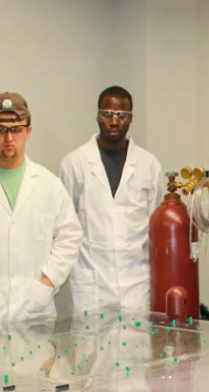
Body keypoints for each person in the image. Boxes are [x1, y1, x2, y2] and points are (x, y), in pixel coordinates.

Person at [0, 92, 81, 327]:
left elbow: (70, 237)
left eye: (16, 129)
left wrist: (47, 284)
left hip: (35, 312)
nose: (8, 138)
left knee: (35, 363)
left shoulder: (48, 184)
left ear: (28, 132)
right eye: (0, 130)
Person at [58, 86, 164, 318]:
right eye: (107, 114)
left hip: (136, 284)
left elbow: (156, 226)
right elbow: (65, 226)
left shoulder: (149, 165)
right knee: (89, 351)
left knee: (138, 351)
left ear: (131, 118)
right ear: (98, 115)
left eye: (122, 116)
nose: (114, 122)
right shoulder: (74, 164)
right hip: (91, 282)